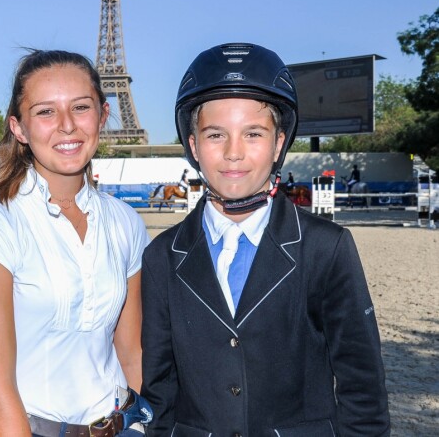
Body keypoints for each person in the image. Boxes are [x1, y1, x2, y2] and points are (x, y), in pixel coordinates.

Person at [141, 43, 390, 436]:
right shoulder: (160, 256)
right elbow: (158, 391)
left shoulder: (328, 247)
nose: (233, 153)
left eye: (253, 134)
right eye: (215, 135)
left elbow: (363, 389)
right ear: (193, 145)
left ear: (278, 143)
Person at [0, 50, 152, 436]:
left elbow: (131, 352)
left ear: (103, 116)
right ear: (19, 128)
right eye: (45, 112)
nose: (66, 126)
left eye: (81, 107)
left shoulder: (126, 221)